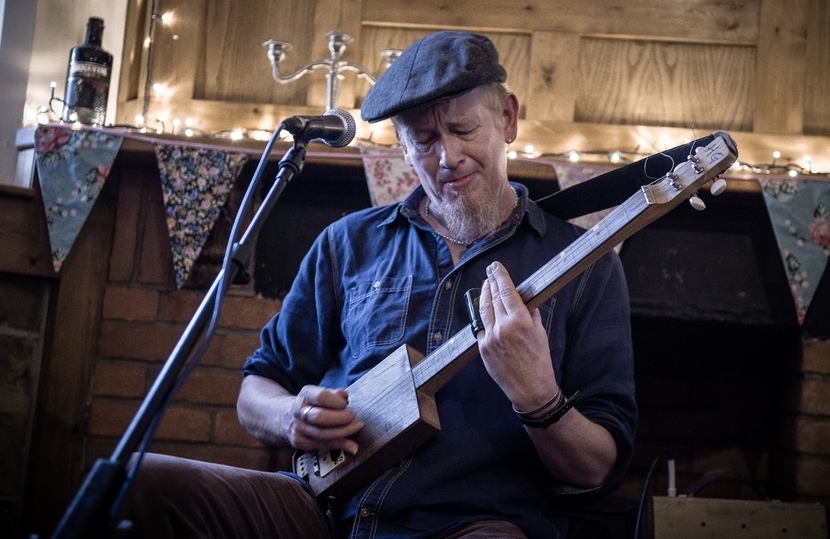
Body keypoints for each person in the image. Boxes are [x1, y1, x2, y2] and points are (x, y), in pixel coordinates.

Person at [121, 31, 637, 539]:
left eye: (463, 129)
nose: (447, 157)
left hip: (472, 524)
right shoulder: (347, 243)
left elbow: (596, 468)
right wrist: (291, 417)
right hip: (321, 511)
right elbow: (256, 389)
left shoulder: (584, 265)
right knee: (139, 482)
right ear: (401, 146)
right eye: (426, 139)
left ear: (507, 120)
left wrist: (539, 398)